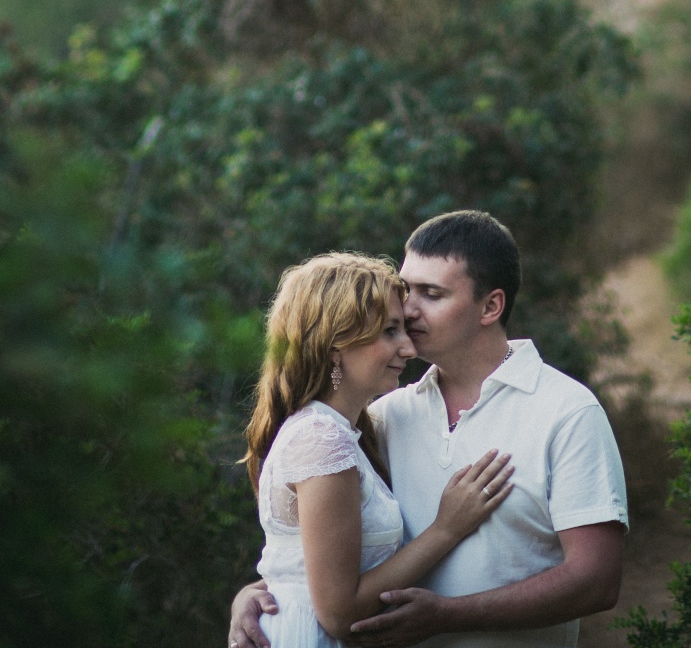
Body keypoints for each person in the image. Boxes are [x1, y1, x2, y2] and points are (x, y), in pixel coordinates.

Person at [232, 212, 627, 648]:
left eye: (432, 293)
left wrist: (448, 616)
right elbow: (327, 555)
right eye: (406, 291)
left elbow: (597, 581)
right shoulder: (383, 416)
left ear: (490, 307)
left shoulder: (566, 412)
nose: (408, 309)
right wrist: (261, 594)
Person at [244, 249, 518, 646]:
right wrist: (446, 529)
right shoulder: (323, 439)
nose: (408, 348)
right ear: (335, 345)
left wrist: (251, 592)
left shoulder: (344, 430)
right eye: (389, 332)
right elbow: (340, 615)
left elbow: (301, 567)